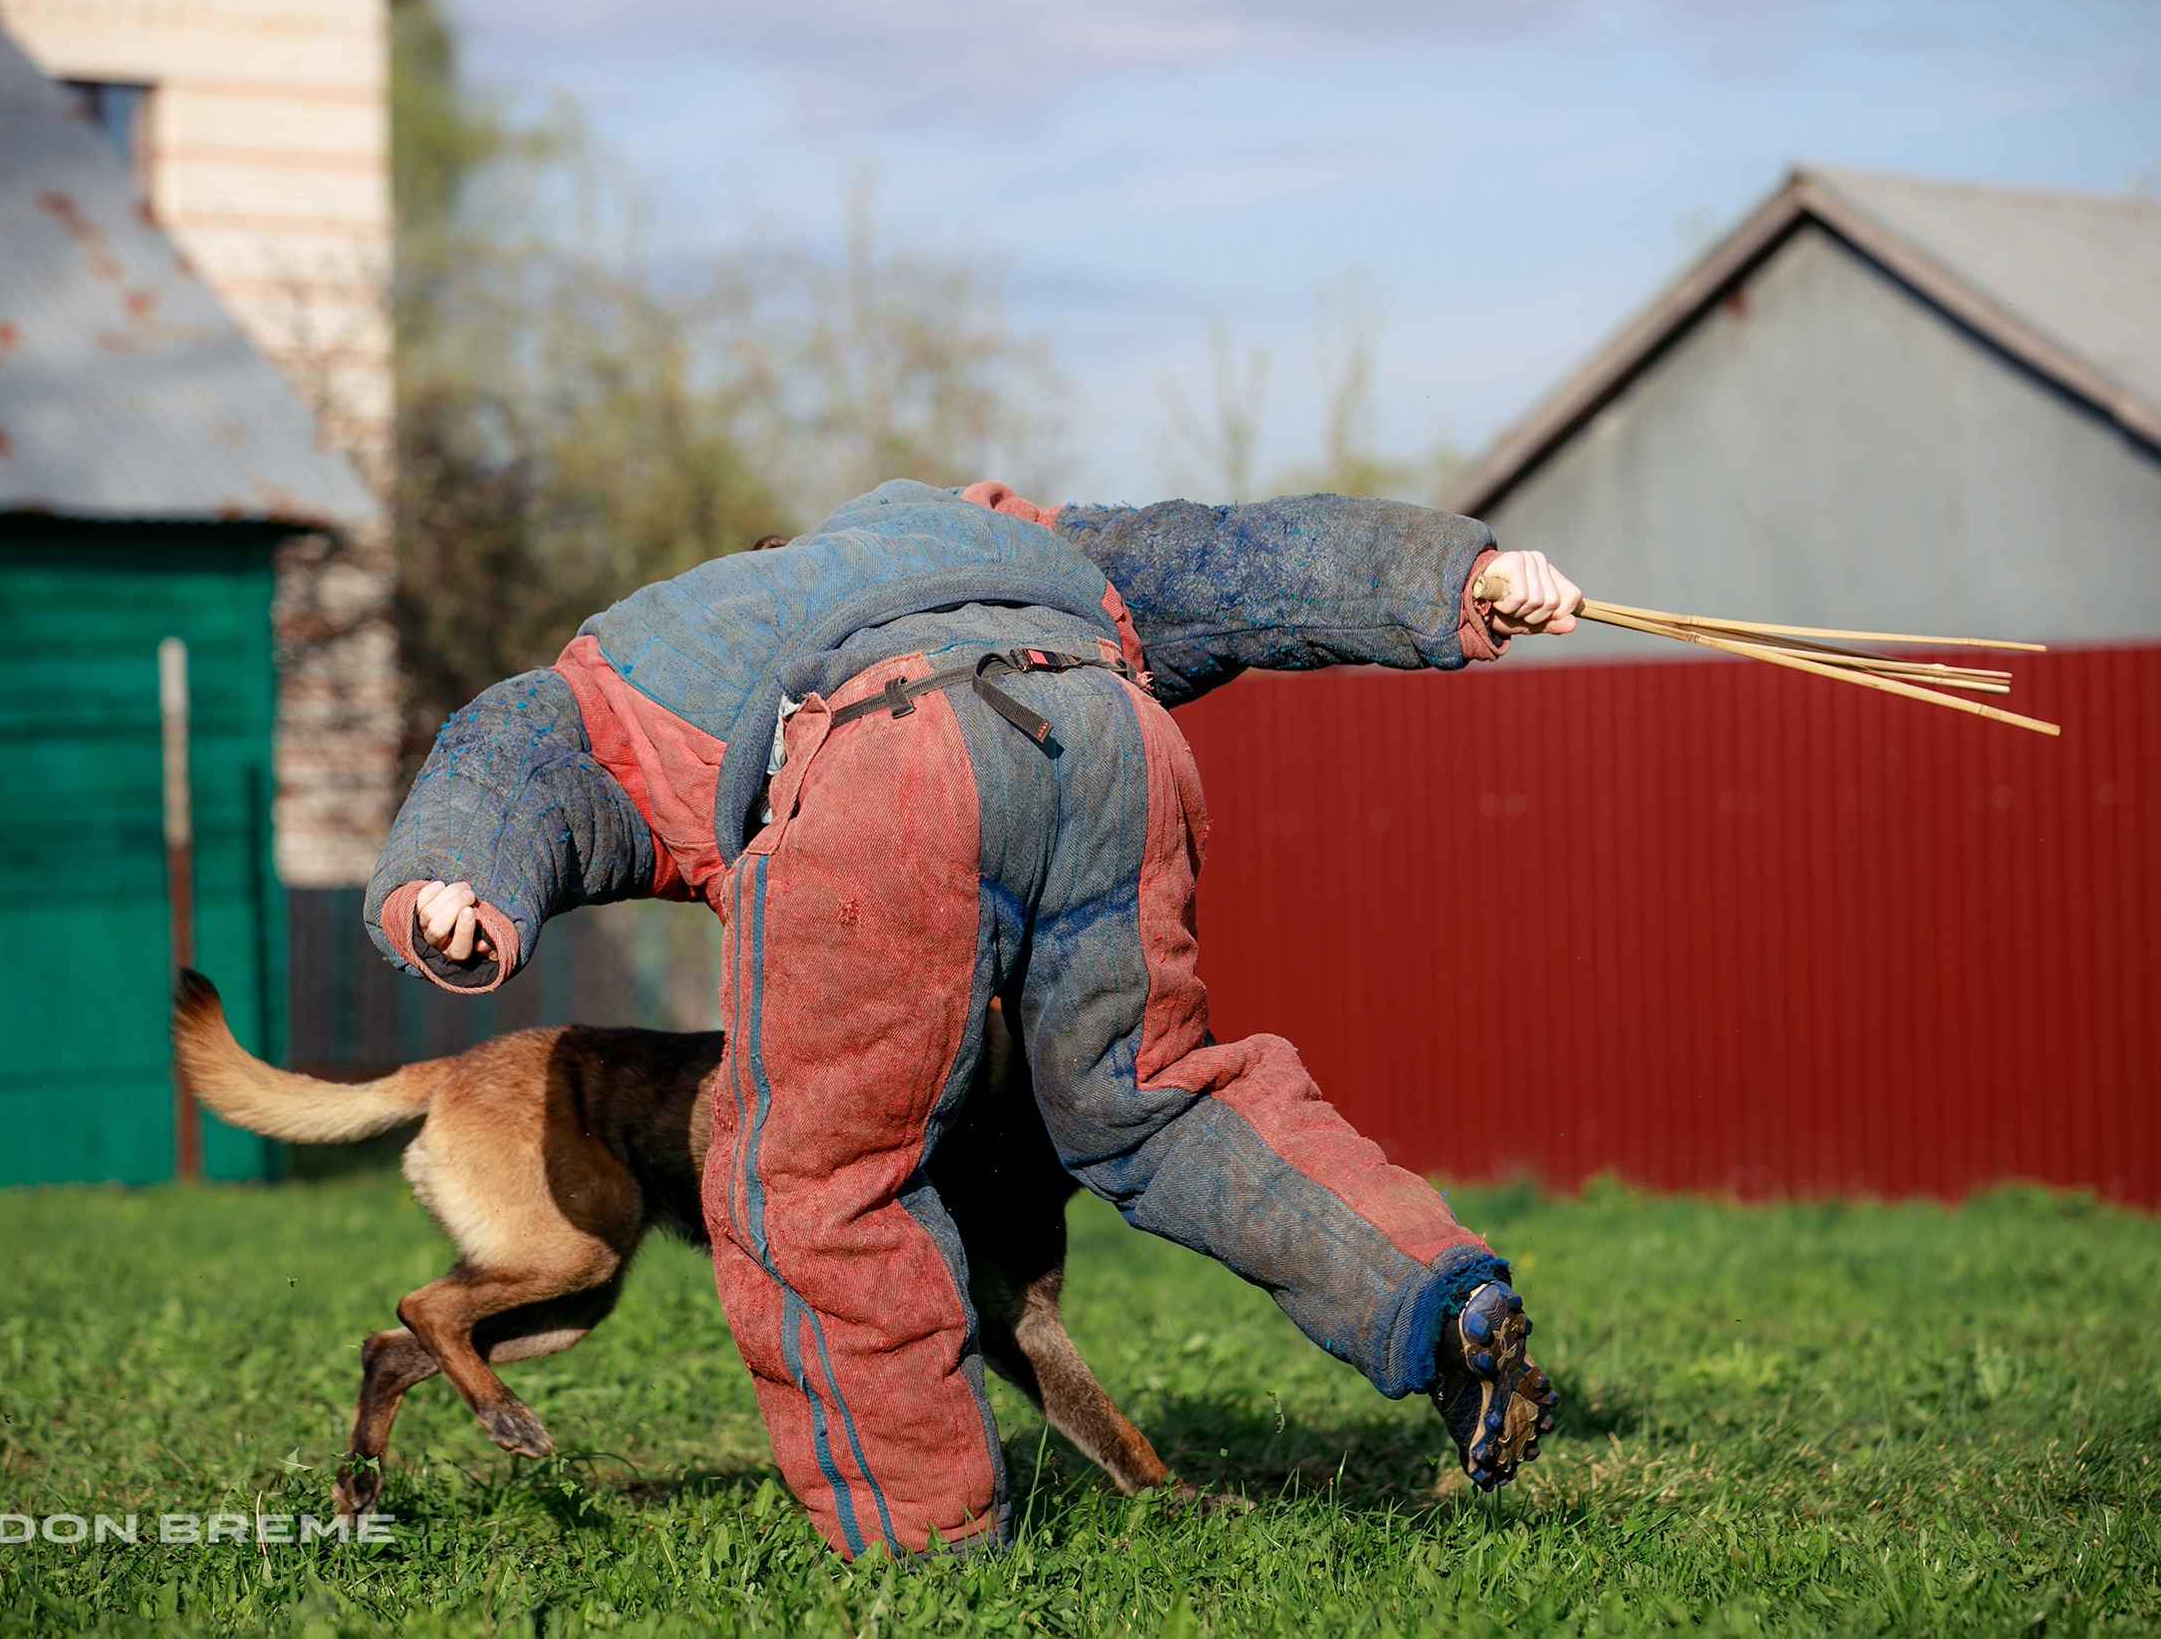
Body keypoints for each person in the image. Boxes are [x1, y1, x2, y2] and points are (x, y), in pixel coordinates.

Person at [365, 480, 1581, 1558]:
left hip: (889, 762)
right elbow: (1232, 561)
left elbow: (510, 738)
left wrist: (451, 877)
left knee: (817, 1178)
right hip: (1109, 735)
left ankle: (926, 1548)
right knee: (1157, 1095)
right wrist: (1457, 579)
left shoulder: (660, 638)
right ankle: (1437, 1302)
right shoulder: (1001, 535)